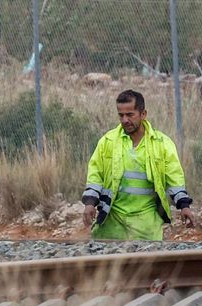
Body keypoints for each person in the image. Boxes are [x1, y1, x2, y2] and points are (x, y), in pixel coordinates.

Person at [81, 90, 195, 240]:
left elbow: (174, 178)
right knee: (105, 262)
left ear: (143, 114)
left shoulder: (162, 144)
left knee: (150, 262)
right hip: (112, 224)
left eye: (130, 114)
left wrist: (184, 205)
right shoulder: (108, 141)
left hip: (146, 225)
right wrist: (90, 203)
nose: (124, 120)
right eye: (121, 115)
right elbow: (95, 175)